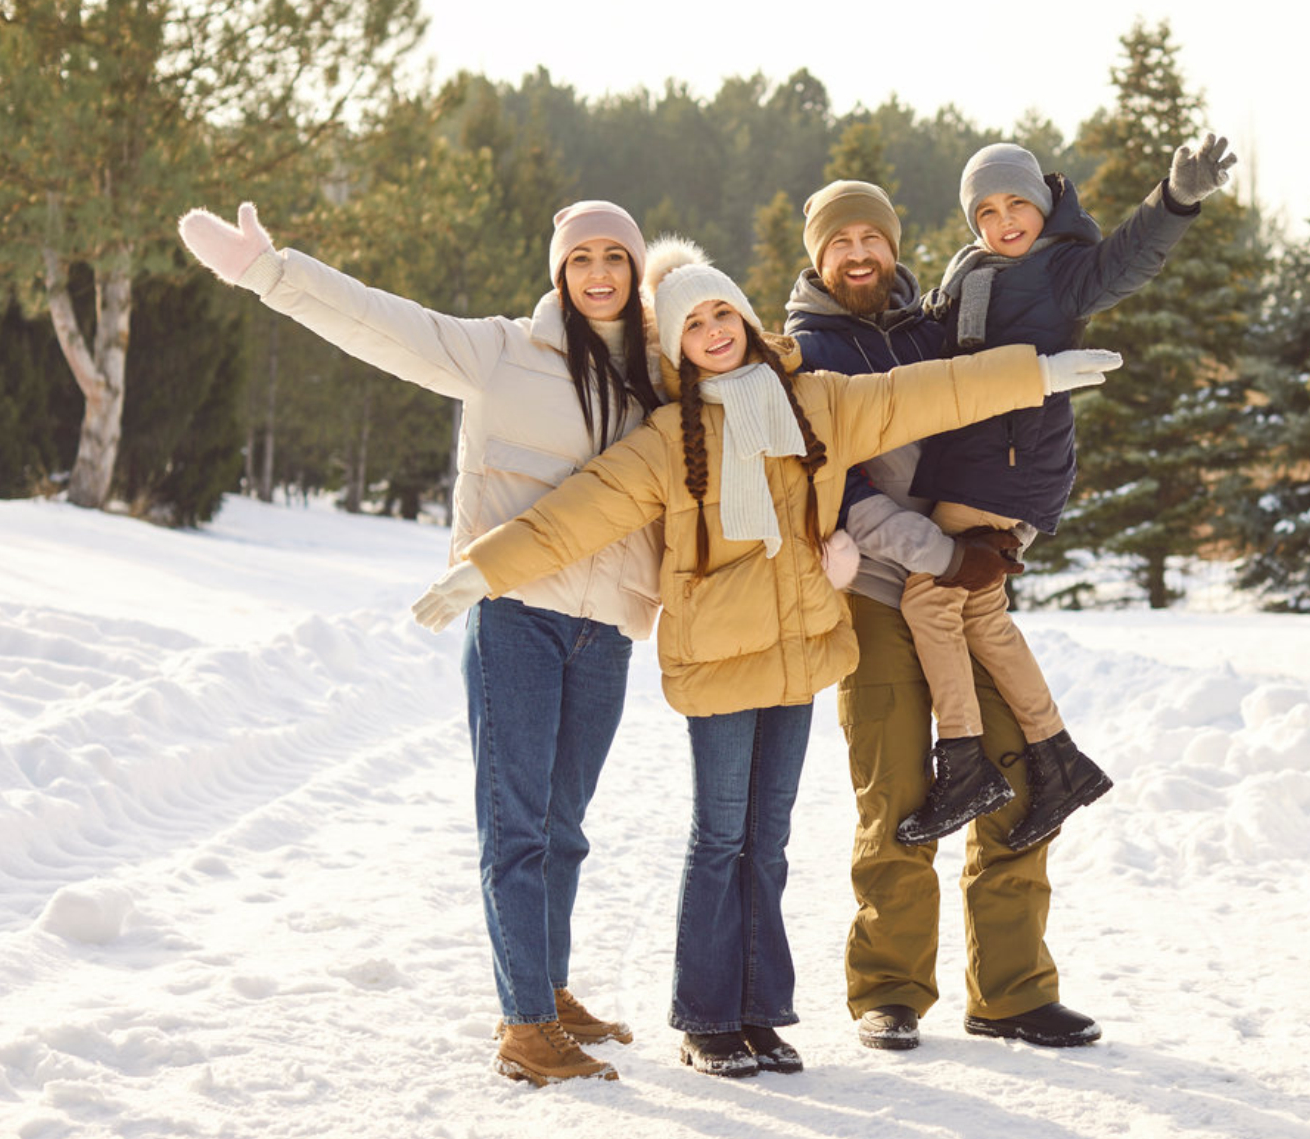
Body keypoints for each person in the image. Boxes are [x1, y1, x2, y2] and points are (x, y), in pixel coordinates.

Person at [409, 239, 1120, 1078]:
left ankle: (759, 1011)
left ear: (745, 319)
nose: (712, 330)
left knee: (769, 840)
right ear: (674, 346)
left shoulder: (816, 404)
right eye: (693, 323)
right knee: (720, 835)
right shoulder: (668, 439)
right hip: (716, 664)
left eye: (722, 313)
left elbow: (926, 392)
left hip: (801, 652)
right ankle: (709, 1018)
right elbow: (577, 515)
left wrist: (1035, 374)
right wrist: (481, 570)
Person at [178, 199, 663, 1087]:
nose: (599, 272)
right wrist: (270, 271)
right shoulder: (503, 351)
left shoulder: (656, 378)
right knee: (515, 823)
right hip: (516, 612)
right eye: (582, 257)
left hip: (608, 631)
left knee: (566, 828)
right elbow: (378, 322)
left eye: (615, 258)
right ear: (559, 270)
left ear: (637, 273)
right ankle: (523, 1024)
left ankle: (548, 991)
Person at [781, 180, 1086, 1051]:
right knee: (901, 795)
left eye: (874, 236)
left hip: (963, 587)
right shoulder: (803, 354)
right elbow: (841, 496)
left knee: (1020, 773)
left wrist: (1004, 525)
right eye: (842, 241)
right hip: (876, 594)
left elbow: (1009, 407)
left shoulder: (936, 327)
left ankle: (1013, 991)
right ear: (817, 255)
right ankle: (890, 989)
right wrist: (948, 554)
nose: (860, 253)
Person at [895, 134, 1235, 853]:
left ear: (1044, 206)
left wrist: (1173, 200)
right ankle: (1058, 761)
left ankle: (962, 763)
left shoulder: (1061, 269)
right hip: (985, 462)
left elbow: (1127, 261)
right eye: (986, 210)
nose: (1004, 219)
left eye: (1018, 202)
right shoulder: (971, 270)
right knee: (980, 616)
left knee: (929, 599)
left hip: (1006, 464)